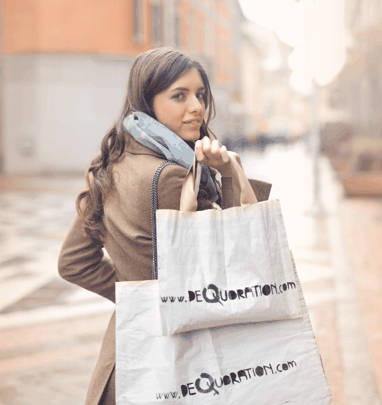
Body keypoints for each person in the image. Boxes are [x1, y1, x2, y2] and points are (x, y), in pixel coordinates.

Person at [57, 48, 271, 405]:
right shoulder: (173, 177)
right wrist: (231, 175)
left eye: (200, 94)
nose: (197, 107)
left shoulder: (110, 166)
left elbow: (73, 263)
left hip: (126, 359)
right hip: (182, 363)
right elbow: (231, 263)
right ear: (147, 102)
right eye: (179, 95)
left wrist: (136, 297)